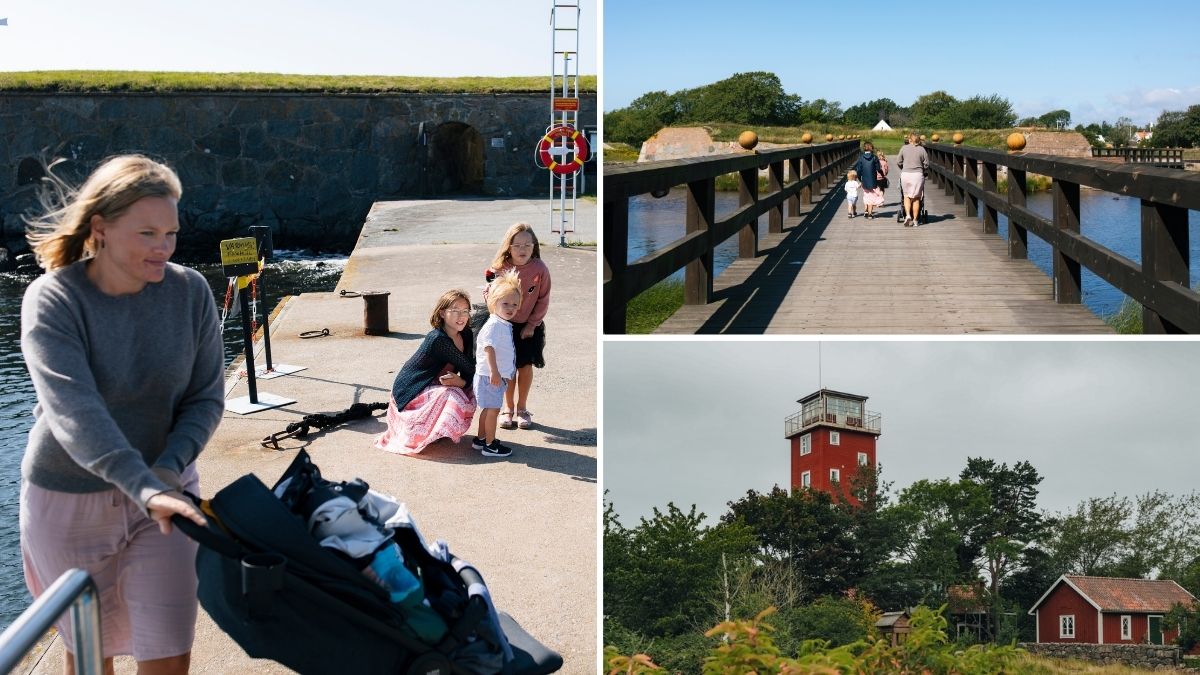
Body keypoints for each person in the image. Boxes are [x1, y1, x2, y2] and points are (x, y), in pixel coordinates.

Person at [19, 155, 223, 675]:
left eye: (172, 233)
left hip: (166, 489)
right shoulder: (54, 299)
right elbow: (73, 413)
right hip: (68, 501)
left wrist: (166, 472)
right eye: (148, 232)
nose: (165, 247)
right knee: (90, 654)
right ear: (100, 229)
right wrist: (143, 484)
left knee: (169, 653)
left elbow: (205, 398)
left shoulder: (190, 292)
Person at [375, 289, 477, 455]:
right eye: (455, 311)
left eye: (465, 311)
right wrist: (462, 382)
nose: (462, 316)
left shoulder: (466, 334)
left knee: (472, 389)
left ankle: (437, 429)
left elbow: (469, 368)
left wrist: (464, 381)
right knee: (453, 394)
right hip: (410, 392)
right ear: (442, 313)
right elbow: (470, 368)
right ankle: (427, 432)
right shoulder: (438, 339)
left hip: (434, 384)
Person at [483, 223, 551, 431]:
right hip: (504, 325)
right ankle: (508, 408)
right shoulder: (498, 268)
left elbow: (543, 298)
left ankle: (522, 408)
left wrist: (532, 324)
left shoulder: (540, 269)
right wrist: (498, 318)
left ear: (534, 246)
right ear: (509, 246)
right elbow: (489, 294)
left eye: (527, 245)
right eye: (517, 245)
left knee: (525, 366)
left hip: (529, 326)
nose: (522, 250)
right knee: (507, 368)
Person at [472, 270, 522, 458]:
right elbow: (488, 348)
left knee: (488, 408)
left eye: (515, 305)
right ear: (493, 303)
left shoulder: (500, 323)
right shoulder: (495, 325)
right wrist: (494, 372)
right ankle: (490, 445)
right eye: (505, 303)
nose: (510, 308)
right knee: (493, 410)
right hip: (490, 376)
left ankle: (481, 439)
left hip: (490, 376)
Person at [897, 132, 930, 226]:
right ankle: (915, 220)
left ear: (909, 139)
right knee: (916, 198)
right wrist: (923, 169)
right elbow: (927, 163)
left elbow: (898, 161)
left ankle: (908, 216)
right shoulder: (922, 149)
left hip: (906, 174)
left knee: (906, 196)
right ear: (919, 140)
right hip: (917, 175)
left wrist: (903, 168)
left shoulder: (904, 148)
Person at [852, 142, 884, 219]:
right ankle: (870, 213)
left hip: (865, 181)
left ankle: (866, 210)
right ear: (871, 148)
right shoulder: (874, 157)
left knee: (866, 195)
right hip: (873, 180)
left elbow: (859, 170)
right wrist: (882, 175)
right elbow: (878, 168)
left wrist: (860, 178)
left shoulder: (861, 157)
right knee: (872, 196)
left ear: (864, 148)